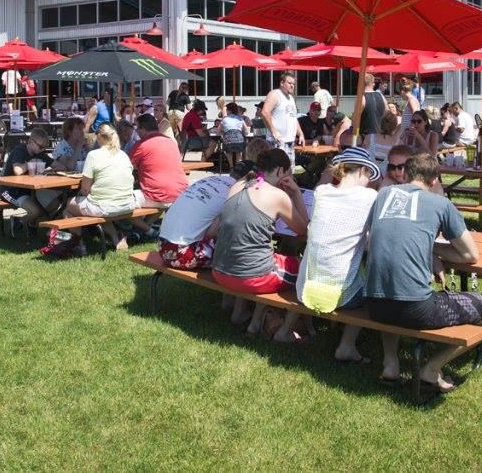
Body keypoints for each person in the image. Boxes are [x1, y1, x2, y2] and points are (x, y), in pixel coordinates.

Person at [364, 153, 482, 392]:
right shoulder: (440, 204)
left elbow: (391, 236)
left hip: (375, 305)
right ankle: (431, 369)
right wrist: (433, 247)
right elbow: (470, 254)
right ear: (434, 181)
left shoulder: (384, 195)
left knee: (392, 287)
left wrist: (427, 248)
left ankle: (390, 364)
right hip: (417, 308)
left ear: (405, 174)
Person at [285, 147, 381, 359]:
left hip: (305, 288)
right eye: (368, 174)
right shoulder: (370, 197)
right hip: (344, 295)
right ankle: (347, 345)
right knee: (373, 282)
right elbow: (374, 239)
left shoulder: (322, 192)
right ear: (362, 170)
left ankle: (285, 330)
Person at [211, 149, 309, 335]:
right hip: (251, 278)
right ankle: (264, 321)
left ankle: (241, 312)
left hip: (219, 270)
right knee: (303, 269)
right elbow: (303, 230)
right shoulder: (277, 195)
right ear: (280, 171)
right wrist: (296, 193)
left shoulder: (238, 185)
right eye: (288, 174)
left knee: (257, 253)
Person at [157, 161, 254, 271]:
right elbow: (211, 233)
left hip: (162, 245)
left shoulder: (210, 179)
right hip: (181, 254)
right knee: (238, 247)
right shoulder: (235, 193)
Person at [62, 124, 137, 250]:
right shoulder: (123, 154)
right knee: (101, 204)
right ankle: (115, 238)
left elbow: (85, 189)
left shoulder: (93, 155)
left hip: (105, 206)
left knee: (69, 206)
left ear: (99, 137)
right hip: (127, 204)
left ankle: (79, 245)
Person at [0, 127, 53, 240]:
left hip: (29, 190)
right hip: (9, 189)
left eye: (45, 147)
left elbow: (59, 165)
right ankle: (27, 224)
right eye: (40, 146)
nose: (42, 150)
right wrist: (30, 163)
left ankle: (23, 222)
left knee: (53, 204)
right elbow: (17, 170)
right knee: (36, 211)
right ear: (31, 141)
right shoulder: (20, 150)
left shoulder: (40, 153)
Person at [261, 71, 305, 162]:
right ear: (282, 83)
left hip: (290, 142)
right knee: (276, 169)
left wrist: (300, 133)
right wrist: (274, 131)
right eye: (289, 83)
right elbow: (265, 112)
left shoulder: (291, 98)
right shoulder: (275, 94)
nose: (292, 86)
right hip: (277, 142)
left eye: (293, 84)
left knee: (289, 169)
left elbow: (293, 117)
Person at [357, 73, 387, 141]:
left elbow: (355, 120)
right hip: (379, 136)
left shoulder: (361, 98)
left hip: (365, 138)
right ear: (373, 83)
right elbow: (387, 113)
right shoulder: (381, 96)